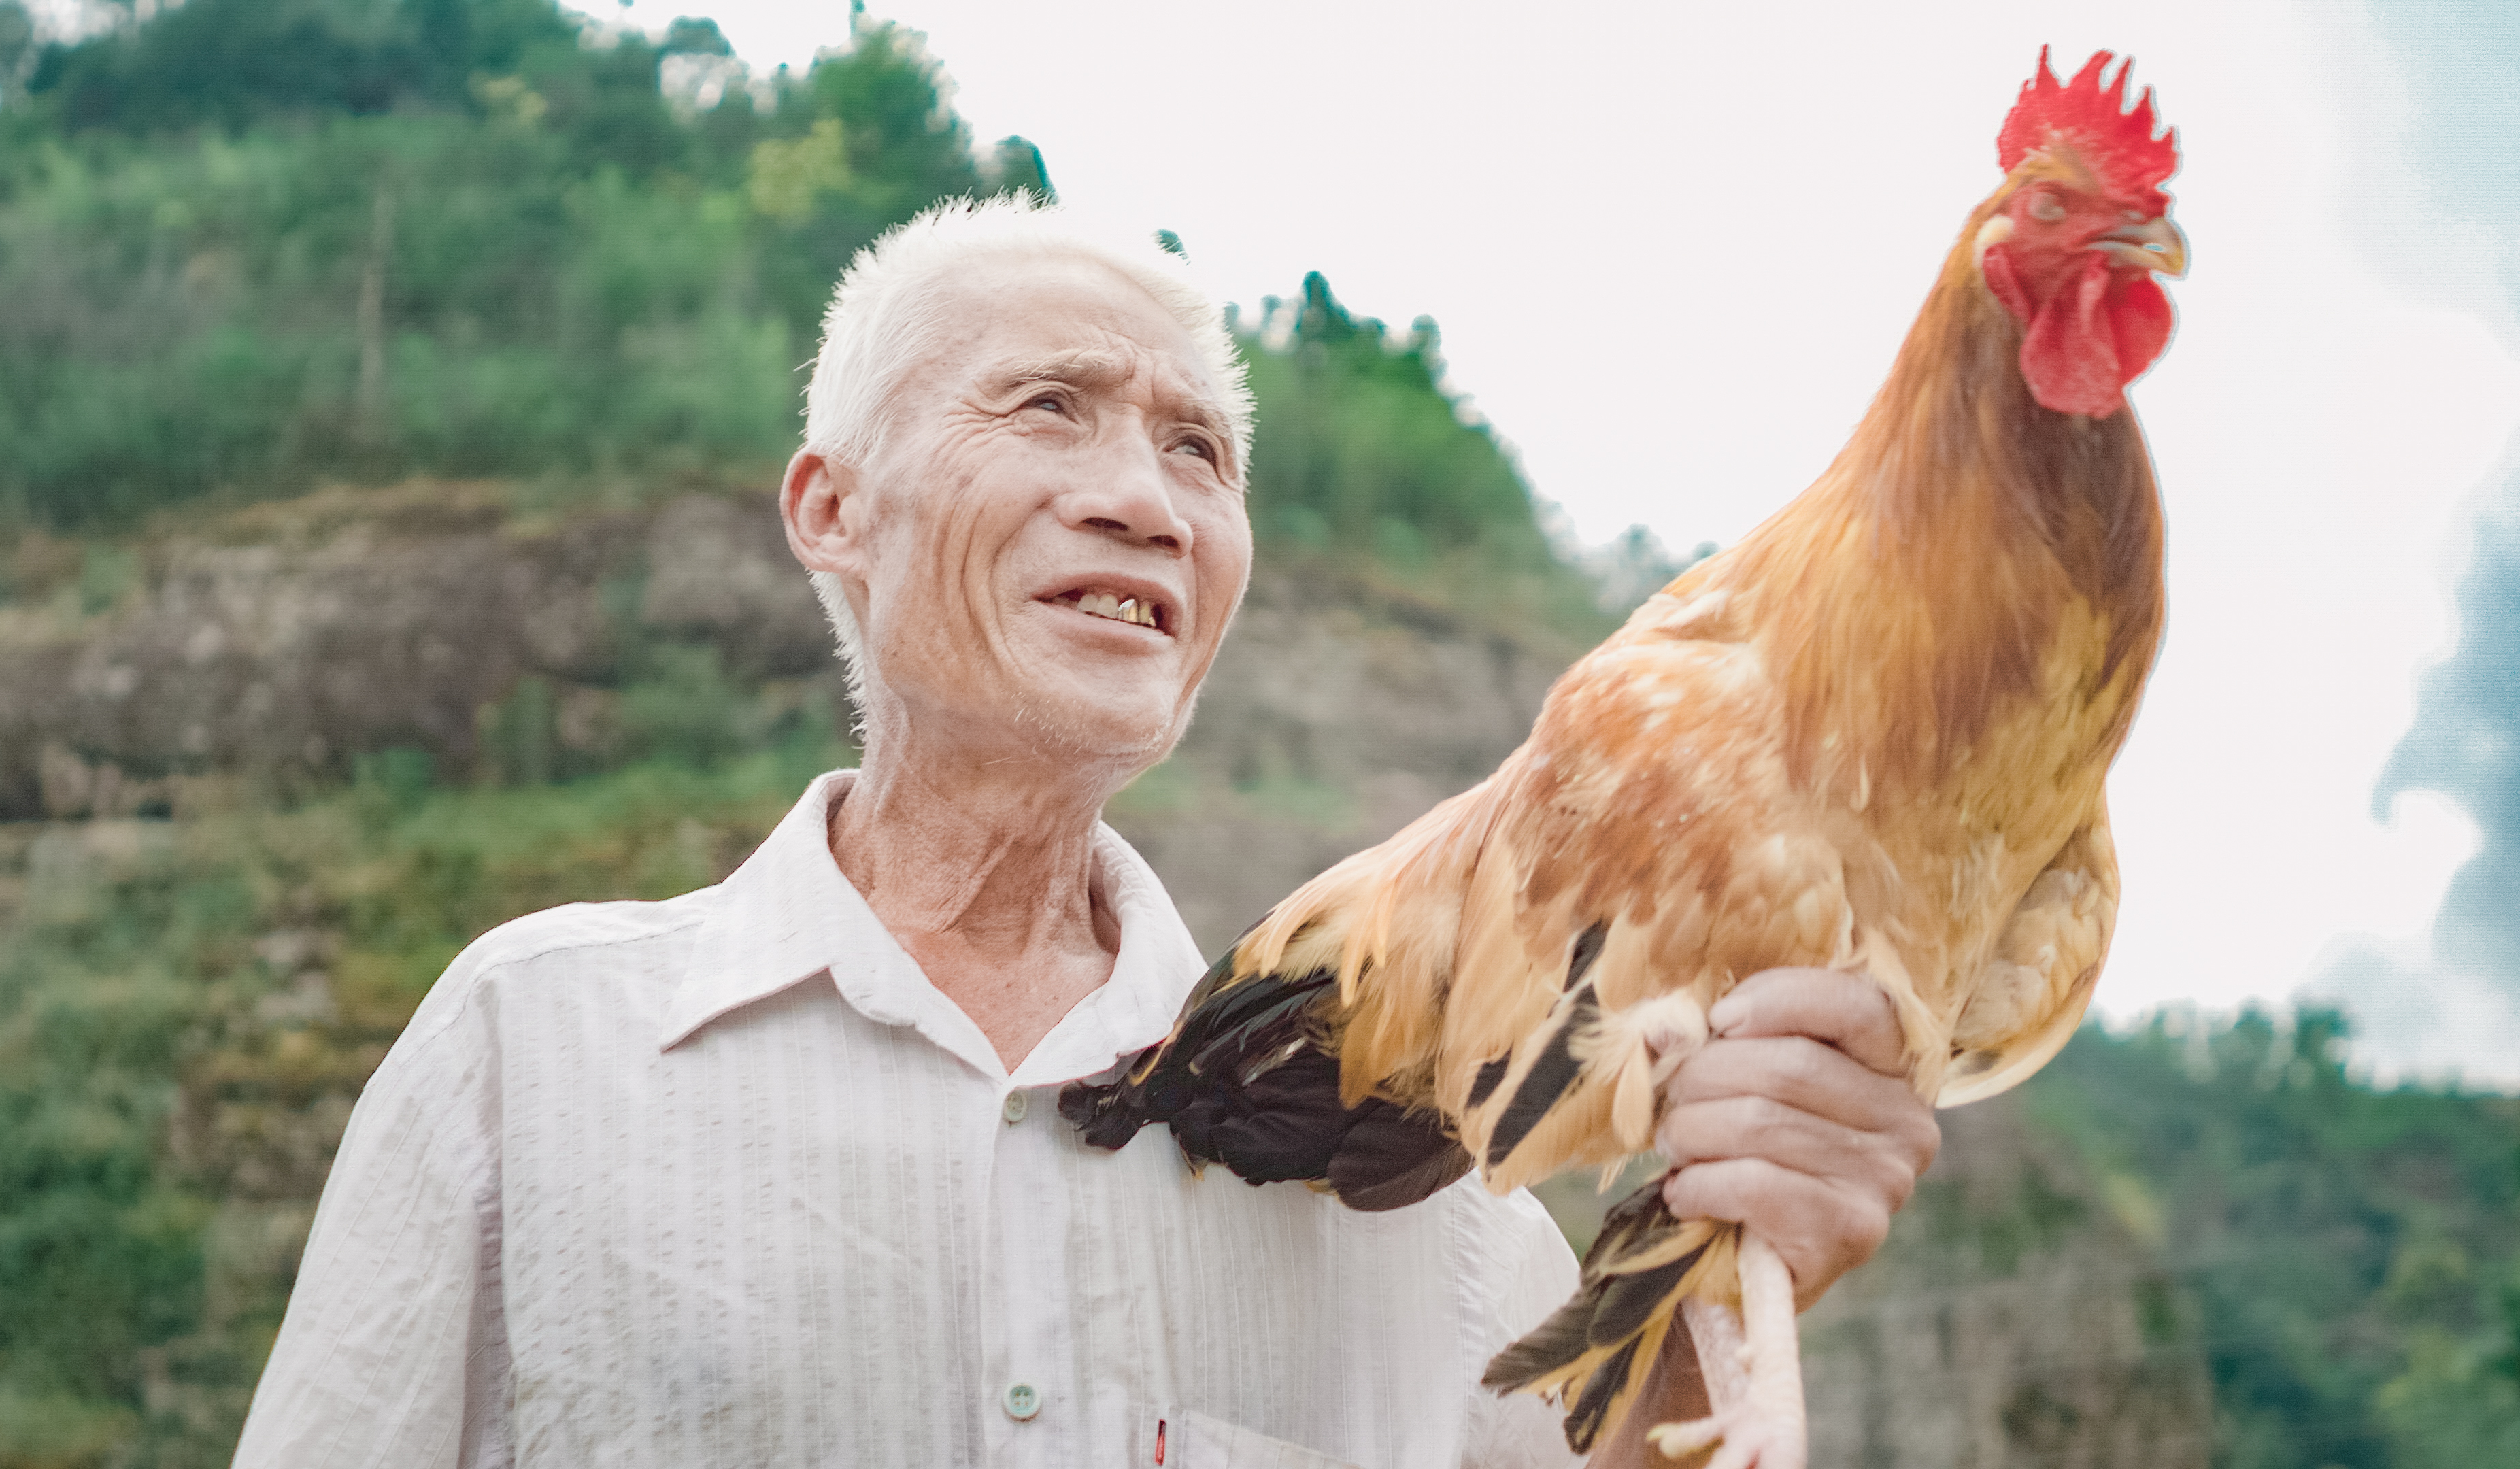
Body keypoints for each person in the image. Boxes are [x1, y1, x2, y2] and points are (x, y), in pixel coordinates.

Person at [231, 197, 1940, 1468]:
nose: (1143, 494)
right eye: (1048, 407)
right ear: (832, 509)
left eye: (1197, 448)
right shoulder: (536, 1049)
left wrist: (1732, 1282)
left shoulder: (1418, 1182)